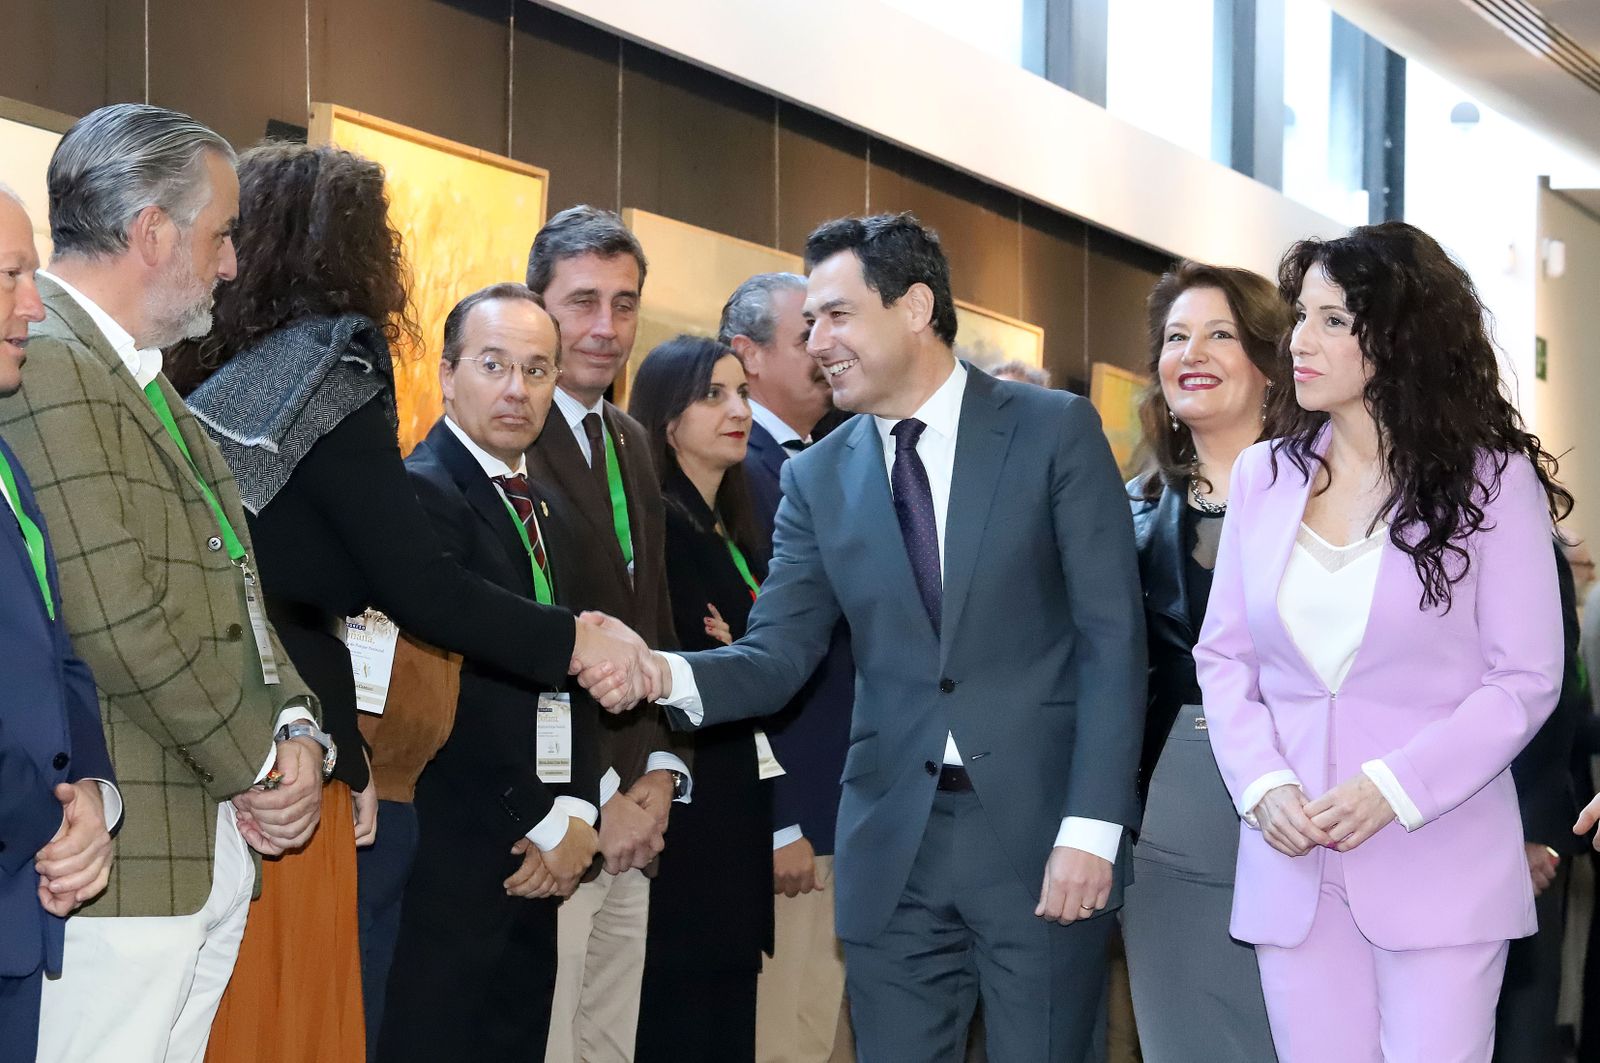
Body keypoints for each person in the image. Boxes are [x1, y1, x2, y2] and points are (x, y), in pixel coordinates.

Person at [585, 212, 1146, 1062]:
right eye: (810, 322)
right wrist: (660, 672)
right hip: (894, 852)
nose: (817, 342)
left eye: (837, 315)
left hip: (1040, 843)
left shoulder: (1053, 430)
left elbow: (1113, 640)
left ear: (915, 307)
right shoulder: (819, 474)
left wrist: (1094, 827)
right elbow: (776, 656)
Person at [168, 145, 655, 1061]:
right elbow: (418, 585)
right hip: (287, 743)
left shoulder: (217, 368)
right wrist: (577, 639)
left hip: (225, 722)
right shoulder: (331, 371)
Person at [0, 104, 330, 1063]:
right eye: (221, 234)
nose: (231, 264)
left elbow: (236, 589)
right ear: (152, 232)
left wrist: (297, 723)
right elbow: (112, 615)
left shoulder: (144, 380)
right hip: (124, 862)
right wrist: (257, 763)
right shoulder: (52, 367)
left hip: (192, 845)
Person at [1195, 221, 1569, 1062]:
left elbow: (1527, 677)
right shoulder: (1264, 475)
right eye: (1301, 315)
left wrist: (1395, 786)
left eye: (1334, 319)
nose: (1301, 340)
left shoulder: (1493, 481)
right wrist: (1261, 784)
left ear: (1399, 338)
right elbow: (1224, 656)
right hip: (1292, 859)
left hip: (1436, 855)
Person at [378, 283, 603, 1060]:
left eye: (538, 370)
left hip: (541, 854)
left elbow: (572, 669)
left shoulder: (543, 508)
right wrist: (541, 820)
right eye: (494, 364)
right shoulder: (418, 492)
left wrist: (578, 812)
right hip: (456, 854)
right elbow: (444, 687)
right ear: (446, 373)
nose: (517, 389)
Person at [525, 205, 693, 1063]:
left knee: (607, 1047)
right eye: (582, 300)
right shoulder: (506, 437)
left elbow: (653, 624)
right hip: (557, 809)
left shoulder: (629, 439)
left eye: (624, 304)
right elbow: (519, 643)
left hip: (638, 812)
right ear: (537, 305)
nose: (605, 327)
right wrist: (600, 793)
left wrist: (660, 772)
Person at [1120, 261, 1290, 1061]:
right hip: (1172, 821)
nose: (1193, 351)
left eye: (1221, 333)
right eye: (1176, 336)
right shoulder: (1128, 510)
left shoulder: (1338, 497)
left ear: (1269, 358)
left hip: (1316, 810)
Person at [720, 273, 855, 1063]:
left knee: (821, 1031)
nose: (826, 347)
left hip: (846, 804)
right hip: (793, 806)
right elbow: (757, 652)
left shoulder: (833, 459)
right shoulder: (744, 473)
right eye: (807, 331)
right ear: (750, 353)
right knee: (784, 1038)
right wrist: (784, 817)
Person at [628, 335, 774, 1060]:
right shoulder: (660, 522)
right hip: (688, 808)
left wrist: (737, 646)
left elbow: (755, 658)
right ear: (665, 417)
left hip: (737, 804)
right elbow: (687, 658)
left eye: (742, 391)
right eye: (714, 394)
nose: (739, 409)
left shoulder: (734, 529)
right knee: (680, 1020)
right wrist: (734, 652)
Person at [0, 186, 118, 1063]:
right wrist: (45, 824)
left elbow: (58, 651)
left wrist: (94, 803)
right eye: (9, 277)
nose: (32, 306)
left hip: (21, 911)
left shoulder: (5, 460)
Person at [1493, 539, 1585, 1062]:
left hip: (1521, 839)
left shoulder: (1526, 545)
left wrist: (1528, 836)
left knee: (1519, 1026)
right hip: (1437, 834)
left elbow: (1543, 698)